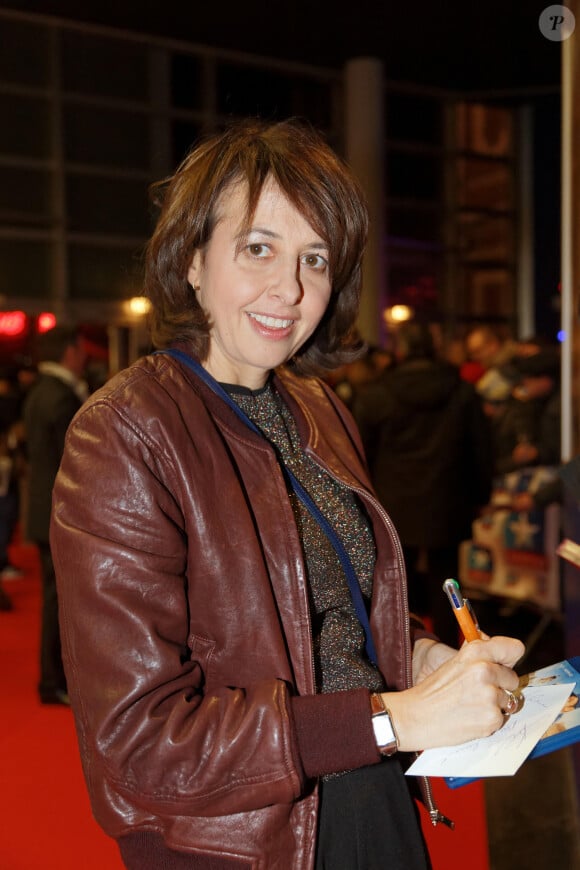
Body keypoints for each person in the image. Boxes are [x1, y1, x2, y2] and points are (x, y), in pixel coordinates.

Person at [50, 119, 524, 870]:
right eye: (258, 248)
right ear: (194, 261)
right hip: (240, 837)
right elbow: (139, 743)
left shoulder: (316, 405)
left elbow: (332, 604)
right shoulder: (124, 433)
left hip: (369, 793)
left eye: (315, 259)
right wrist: (392, 719)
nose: (291, 289)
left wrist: (423, 655)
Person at [353, 321, 494, 646]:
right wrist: (481, 495)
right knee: (447, 578)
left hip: (393, 498)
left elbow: (361, 451)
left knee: (395, 577)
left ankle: (401, 648)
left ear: (401, 349)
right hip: (447, 496)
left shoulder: (377, 394)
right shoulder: (461, 391)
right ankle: (445, 648)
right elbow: (481, 449)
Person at [23, 325, 88, 705]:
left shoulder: (40, 392)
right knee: (60, 601)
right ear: (69, 351)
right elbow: (78, 460)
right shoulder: (60, 396)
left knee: (55, 598)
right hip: (58, 511)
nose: (85, 358)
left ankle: (55, 678)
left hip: (41, 507)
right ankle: (56, 680)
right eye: (82, 350)